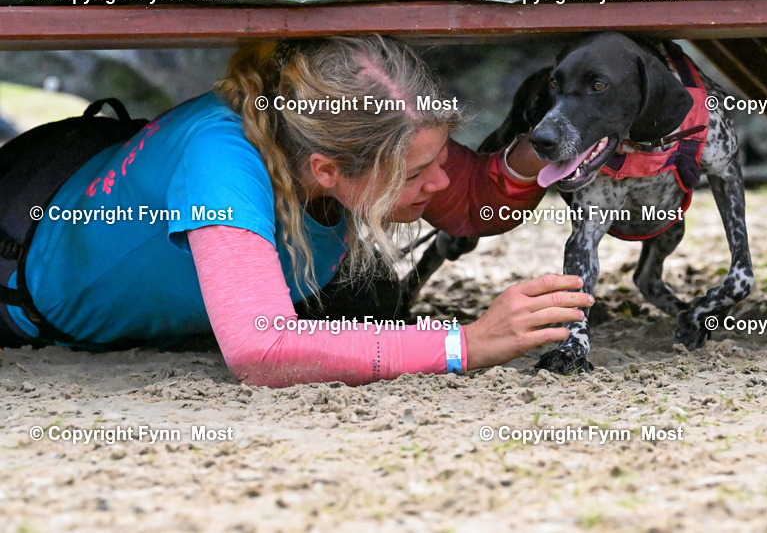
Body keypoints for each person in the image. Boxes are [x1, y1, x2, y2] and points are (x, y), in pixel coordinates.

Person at [0, 36, 590, 387]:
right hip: (18, 278)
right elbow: (261, 351)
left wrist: (548, 150)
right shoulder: (221, 158)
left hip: (92, 186)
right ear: (327, 171)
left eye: (439, 158)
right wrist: (467, 343)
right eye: (415, 175)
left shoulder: (345, 128)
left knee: (369, 304)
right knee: (364, 310)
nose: (437, 182)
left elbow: (469, 201)